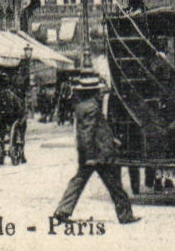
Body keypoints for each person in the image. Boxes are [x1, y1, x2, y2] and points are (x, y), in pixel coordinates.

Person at [51, 74, 139, 225]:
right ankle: (125, 216)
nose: (100, 92)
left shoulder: (83, 105)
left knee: (78, 181)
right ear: (92, 92)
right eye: (98, 90)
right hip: (98, 155)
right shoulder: (91, 107)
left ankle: (63, 210)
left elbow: (95, 130)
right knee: (115, 185)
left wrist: (111, 139)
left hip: (92, 153)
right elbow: (87, 133)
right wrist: (91, 156)